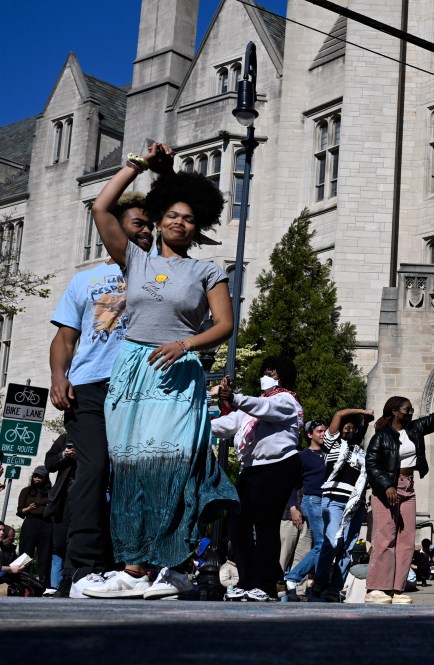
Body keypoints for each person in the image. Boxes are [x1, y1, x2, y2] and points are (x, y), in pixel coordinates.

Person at [82, 142, 238, 599]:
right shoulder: (134, 258)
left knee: (172, 464)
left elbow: (225, 326)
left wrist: (185, 343)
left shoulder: (209, 271)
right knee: (129, 468)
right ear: (157, 219)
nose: (178, 222)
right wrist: (139, 165)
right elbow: (101, 205)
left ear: (198, 226)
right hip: (133, 370)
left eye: (188, 218)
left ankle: (173, 566)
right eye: (171, 214)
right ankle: (133, 570)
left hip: (178, 371)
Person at [48, 192, 152, 595]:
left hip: (140, 386)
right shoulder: (85, 280)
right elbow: (64, 337)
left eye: (149, 226)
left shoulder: (158, 271)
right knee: (93, 470)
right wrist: (59, 376)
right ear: (116, 227)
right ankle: (82, 569)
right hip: (89, 385)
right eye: (138, 224)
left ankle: (131, 565)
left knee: (134, 472)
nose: (145, 232)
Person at [214, 357, 304, 602]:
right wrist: (195, 423)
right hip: (252, 468)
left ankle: (265, 585)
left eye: (272, 372)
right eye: (264, 371)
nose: (266, 376)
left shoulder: (286, 400)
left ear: (282, 376)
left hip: (278, 466)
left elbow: (265, 409)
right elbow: (229, 423)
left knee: (265, 525)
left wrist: (233, 398)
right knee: (236, 522)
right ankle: (247, 580)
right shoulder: (254, 406)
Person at [364, 394, 434, 605]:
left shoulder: (414, 429)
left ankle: (397, 588)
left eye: (411, 410)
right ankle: (377, 588)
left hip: (408, 486)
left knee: (407, 540)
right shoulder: (381, 436)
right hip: (387, 488)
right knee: (385, 537)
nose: (410, 413)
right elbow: (371, 464)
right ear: (394, 412)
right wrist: (387, 485)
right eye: (407, 410)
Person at [309, 407, 373, 602]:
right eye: (345, 427)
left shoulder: (361, 454)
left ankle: (335, 587)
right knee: (333, 541)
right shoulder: (332, 444)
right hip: (334, 500)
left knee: (348, 546)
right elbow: (337, 415)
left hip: (355, 504)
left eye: (352, 428)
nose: (348, 430)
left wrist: (366, 421)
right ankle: (320, 581)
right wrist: (361, 411)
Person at [282, 419, 329, 600]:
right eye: (319, 431)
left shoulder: (329, 454)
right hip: (312, 501)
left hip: (328, 502)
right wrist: (293, 508)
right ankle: (293, 577)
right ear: (310, 434)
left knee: (328, 545)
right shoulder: (303, 456)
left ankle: (317, 586)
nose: (323, 434)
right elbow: (292, 484)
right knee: (322, 544)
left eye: (325, 431)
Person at [43, 434, 75, 593]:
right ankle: (62, 581)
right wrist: (63, 455)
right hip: (64, 498)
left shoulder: (97, 435)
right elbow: (49, 463)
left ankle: (71, 578)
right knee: (61, 542)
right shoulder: (65, 438)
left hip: (89, 495)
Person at [17, 467, 54, 589]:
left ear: (45, 478)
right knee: (25, 554)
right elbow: (20, 511)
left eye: (40, 476)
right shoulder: (26, 491)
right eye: (35, 476)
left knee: (45, 555)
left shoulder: (51, 492)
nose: (37, 478)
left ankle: (44, 585)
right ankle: (22, 584)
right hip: (31, 523)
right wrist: (28, 509)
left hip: (47, 524)